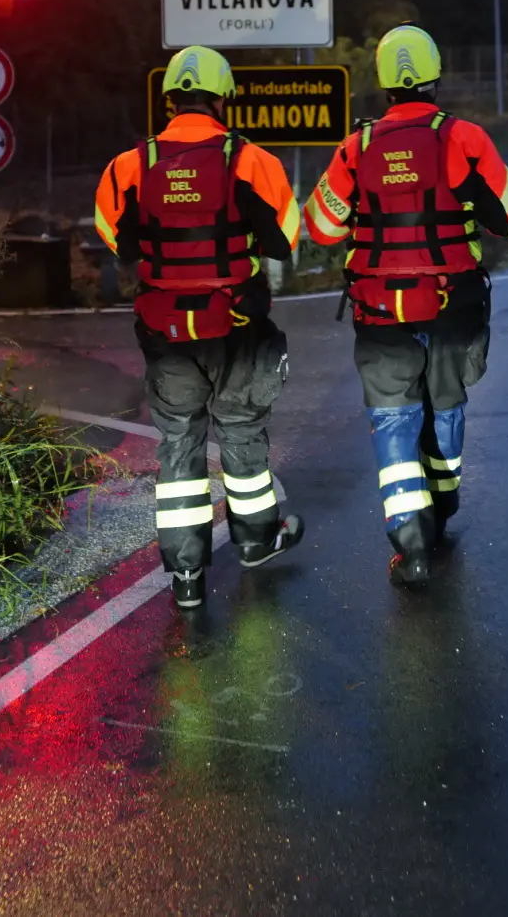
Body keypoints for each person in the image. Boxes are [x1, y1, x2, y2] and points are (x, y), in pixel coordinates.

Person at [305, 24, 508, 586]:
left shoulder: (355, 148)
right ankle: (444, 505)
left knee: (392, 417)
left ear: (381, 83)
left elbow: (322, 226)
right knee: (446, 406)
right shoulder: (465, 139)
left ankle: (411, 542)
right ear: (434, 76)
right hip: (453, 305)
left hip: (380, 311)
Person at [94, 45, 305, 609]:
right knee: (239, 430)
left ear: (169, 100)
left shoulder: (128, 165)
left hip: (165, 329)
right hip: (234, 323)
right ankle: (258, 542)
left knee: (179, 443)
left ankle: (186, 576)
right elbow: (286, 237)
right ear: (223, 97)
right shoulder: (253, 161)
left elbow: (117, 240)